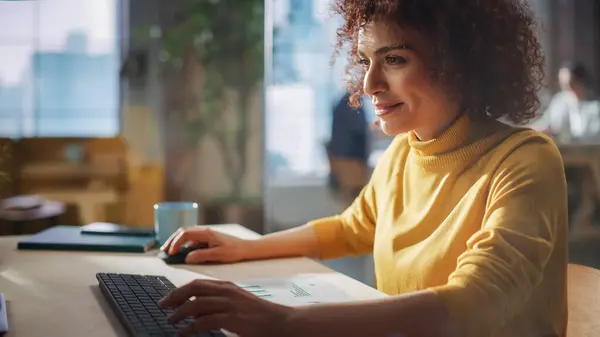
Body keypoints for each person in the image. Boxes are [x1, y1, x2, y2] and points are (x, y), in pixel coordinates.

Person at [159, 0, 568, 336]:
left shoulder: (526, 160)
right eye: (364, 60)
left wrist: (284, 321)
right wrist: (242, 247)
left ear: (460, 63)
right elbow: (352, 228)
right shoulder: (402, 154)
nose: (369, 83)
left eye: (393, 59)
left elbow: (472, 302)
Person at [534, 62, 600, 141]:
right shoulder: (560, 101)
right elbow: (545, 122)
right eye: (563, 85)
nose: (567, 89)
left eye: (570, 84)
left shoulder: (595, 106)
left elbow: (593, 136)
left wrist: (567, 137)